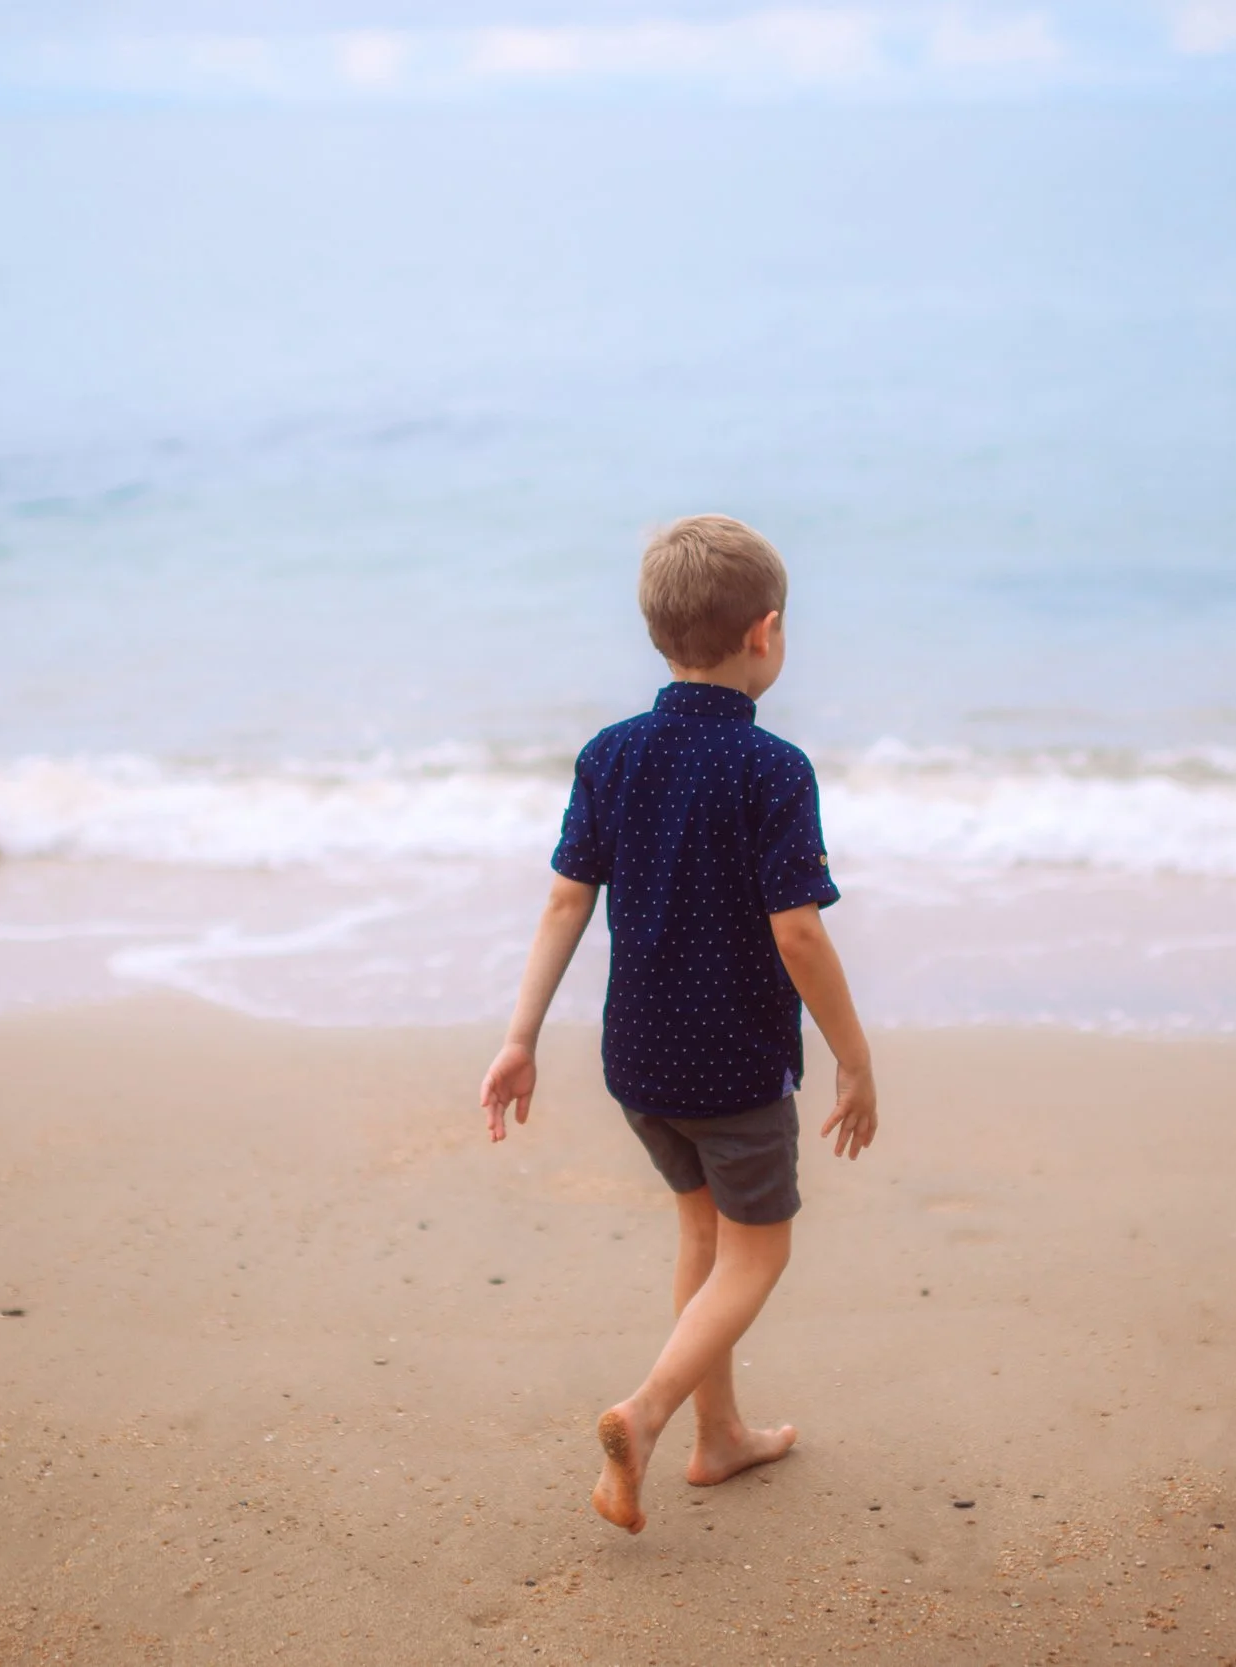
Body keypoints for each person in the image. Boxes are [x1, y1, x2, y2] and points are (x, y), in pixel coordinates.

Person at [477, 513, 879, 1535]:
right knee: (759, 1252)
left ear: (660, 634)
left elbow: (565, 901)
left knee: (703, 1230)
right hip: (734, 1061)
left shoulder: (611, 754)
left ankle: (720, 1434)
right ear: (767, 632)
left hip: (639, 1060)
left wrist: (518, 1037)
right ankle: (648, 1414)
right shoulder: (772, 769)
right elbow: (797, 932)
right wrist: (852, 1053)